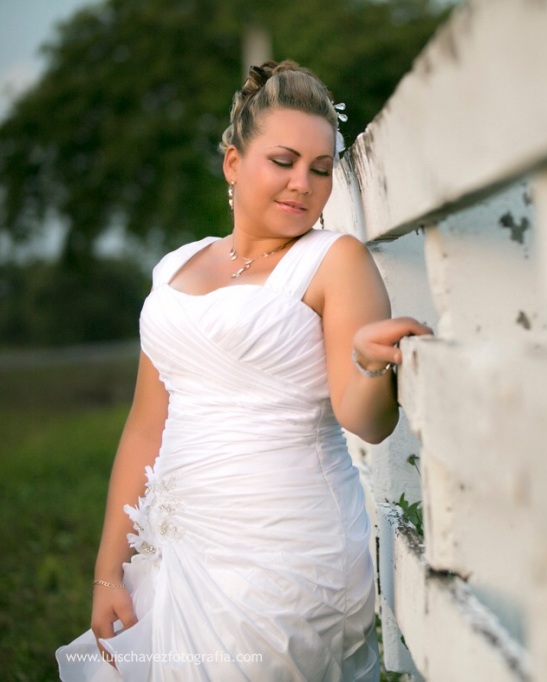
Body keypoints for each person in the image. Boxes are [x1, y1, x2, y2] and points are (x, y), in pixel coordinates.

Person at [55, 60, 431, 680]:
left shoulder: (336, 261)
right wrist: (108, 570)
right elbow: (146, 427)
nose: (303, 185)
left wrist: (368, 364)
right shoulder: (175, 266)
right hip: (175, 551)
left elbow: (367, 423)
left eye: (319, 169)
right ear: (234, 163)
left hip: (286, 555)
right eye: (282, 162)